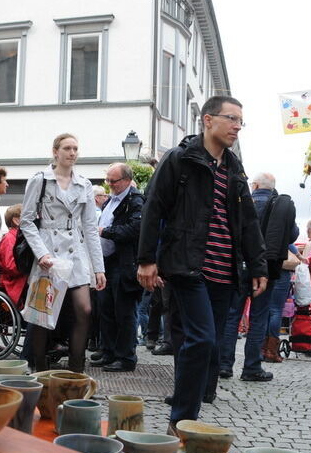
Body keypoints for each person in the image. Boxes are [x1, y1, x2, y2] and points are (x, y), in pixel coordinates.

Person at [137, 95, 266, 428]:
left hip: (225, 272)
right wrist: (146, 260)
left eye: (241, 121)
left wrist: (258, 266)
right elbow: (153, 209)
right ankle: (181, 421)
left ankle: (189, 411)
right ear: (208, 120)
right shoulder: (180, 160)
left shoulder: (234, 169)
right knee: (202, 339)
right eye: (231, 118)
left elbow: (249, 221)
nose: (237, 126)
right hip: (188, 266)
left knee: (207, 346)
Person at [19, 133, 106, 372]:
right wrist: (41, 254)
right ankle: (40, 370)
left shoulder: (85, 184)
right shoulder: (40, 180)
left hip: (76, 254)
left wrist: (98, 268)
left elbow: (89, 227)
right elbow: (26, 221)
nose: (72, 153)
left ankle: (77, 372)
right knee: (42, 316)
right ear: (55, 151)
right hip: (48, 253)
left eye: (76, 148)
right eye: (67, 148)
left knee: (84, 310)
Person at [221, 172, 295, 382]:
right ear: (272, 188)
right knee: (259, 316)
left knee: (232, 316)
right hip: (265, 266)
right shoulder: (280, 205)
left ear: (254, 185)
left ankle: (224, 365)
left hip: (238, 265)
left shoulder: (242, 201)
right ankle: (252, 367)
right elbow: (291, 235)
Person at [93, 163, 144, 372]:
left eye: (113, 181)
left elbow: (134, 229)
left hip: (124, 264)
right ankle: (109, 351)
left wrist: (105, 231)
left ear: (126, 180)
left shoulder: (135, 201)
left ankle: (126, 357)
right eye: (108, 181)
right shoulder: (112, 201)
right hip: (108, 262)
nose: (110, 185)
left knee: (124, 311)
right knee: (106, 309)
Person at [0, 204, 27, 307]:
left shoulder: (18, 238)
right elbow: (10, 265)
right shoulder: (10, 239)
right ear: (16, 220)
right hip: (14, 284)